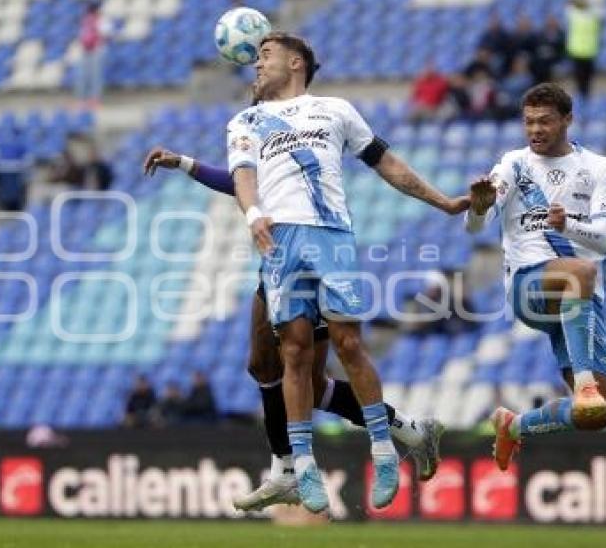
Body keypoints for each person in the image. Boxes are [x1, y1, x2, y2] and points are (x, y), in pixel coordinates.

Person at [227, 31, 468, 513]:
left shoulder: (335, 110)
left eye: (266, 55)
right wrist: (253, 213)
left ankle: (384, 451)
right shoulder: (245, 120)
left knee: (349, 343)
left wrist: (442, 201)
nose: (257, 63)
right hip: (281, 240)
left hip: (331, 235)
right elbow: (241, 175)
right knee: (292, 352)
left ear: (296, 62)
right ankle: (302, 465)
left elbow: (386, 163)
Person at [142, 144, 445, 511]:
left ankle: (392, 438)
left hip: (311, 264)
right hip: (276, 266)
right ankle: (295, 467)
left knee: (307, 382)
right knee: (264, 368)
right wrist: (185, 163)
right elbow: (240, 183)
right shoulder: (266, 149)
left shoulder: (300, 149)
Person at [465, 83, 606, 471]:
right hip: (528, 285)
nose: (535, 129)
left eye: (545, 121)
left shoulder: (601, 168)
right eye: (529, 122)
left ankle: (514, 426)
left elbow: (605, 239)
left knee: (598, 414)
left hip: (581, 300)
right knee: (579, 272)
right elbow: (474, 226)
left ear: (568, 120)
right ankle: (584, 384)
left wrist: (567, 226)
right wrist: (478, 208)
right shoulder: (513, 164)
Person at [565, 0, 602, 97]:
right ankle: (583, 96)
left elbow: (568, 5)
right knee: (585, 79)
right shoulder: (593, 16)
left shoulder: (574, 15)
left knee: (582, 79)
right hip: (586, 51)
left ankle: (583, 97)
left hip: (581, 51)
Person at [75, 2, 111, 107]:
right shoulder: (98, 20)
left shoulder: (89, 21)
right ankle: (89, 99)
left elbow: (82, 35)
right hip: (92, 50)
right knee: (91, 76)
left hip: (92, 50)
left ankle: (88, 99)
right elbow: (107, 35)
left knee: (89, 76)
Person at [531, 16, 565, 84]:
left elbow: (562, 52)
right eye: (549, 22)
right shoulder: (540, 35)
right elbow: (536, 49)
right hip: (541, 61)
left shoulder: (561, 36)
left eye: (553, 22)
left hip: (555, 60)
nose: (551, 24)